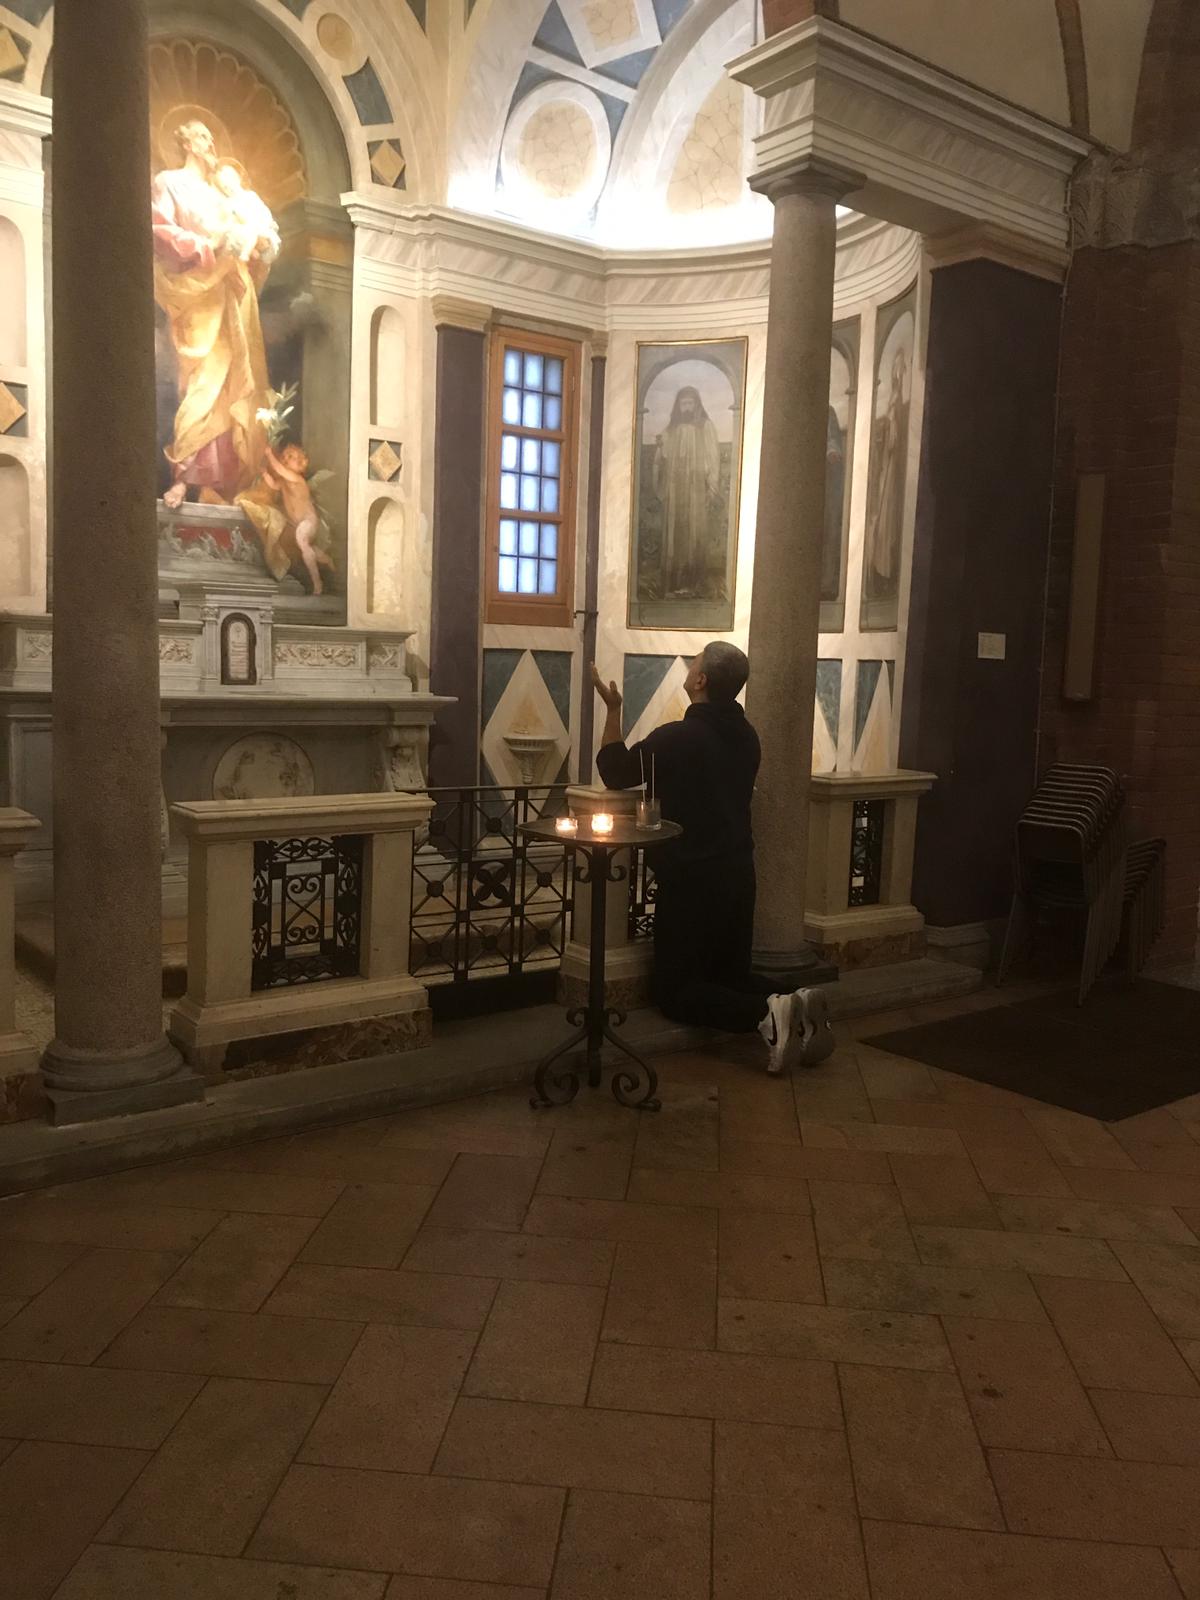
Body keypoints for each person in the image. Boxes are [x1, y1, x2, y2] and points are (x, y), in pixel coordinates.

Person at [592, 644, 834, 1073]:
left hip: (691, 880)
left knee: (677, 993)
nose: (690, 668)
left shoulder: (676, 738)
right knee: (730, 975)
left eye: (695, 663)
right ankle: (795, 999)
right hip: (738, 873)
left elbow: (615, 771)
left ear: (701, 680)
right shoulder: (747, 736)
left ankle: (766, 1013)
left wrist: (613, 710)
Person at [151, 120, 273, 508]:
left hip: (231, 294)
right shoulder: (170, 182)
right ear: (187, 143)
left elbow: (248, 232)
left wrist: (257, 246)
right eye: (202, 136)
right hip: (197, 293)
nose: (210, 142)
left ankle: (218, 484)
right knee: (203, 383)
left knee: (230, 386)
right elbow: (159, 230)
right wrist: (206, 246)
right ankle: (183, 476)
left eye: (211, 136)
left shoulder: (222, 194)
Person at [653, 385, 721, 597]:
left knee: (694, 533)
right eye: (684, 403)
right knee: (675, 533)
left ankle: (693, 584)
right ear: (678, 406)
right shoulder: (671, 429)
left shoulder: (706, 427)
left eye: (691, 403)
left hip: (695, 491)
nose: (687, 407)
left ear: (697, 404)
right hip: (675, 491)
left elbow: (713, 458)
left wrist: (711, 486)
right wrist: (660, 448)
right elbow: (662, 456)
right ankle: (672, 584)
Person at [213, 161, 280, 264]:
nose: (228, 188)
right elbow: (226, 222)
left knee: (253, 235)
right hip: (240, 235)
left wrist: (257, 229)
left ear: (237, 179)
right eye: (224, 187)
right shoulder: (228, 203)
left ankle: (249, 252)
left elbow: (264, 217)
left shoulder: (250, 197)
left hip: (258, 230)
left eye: (230, 182)